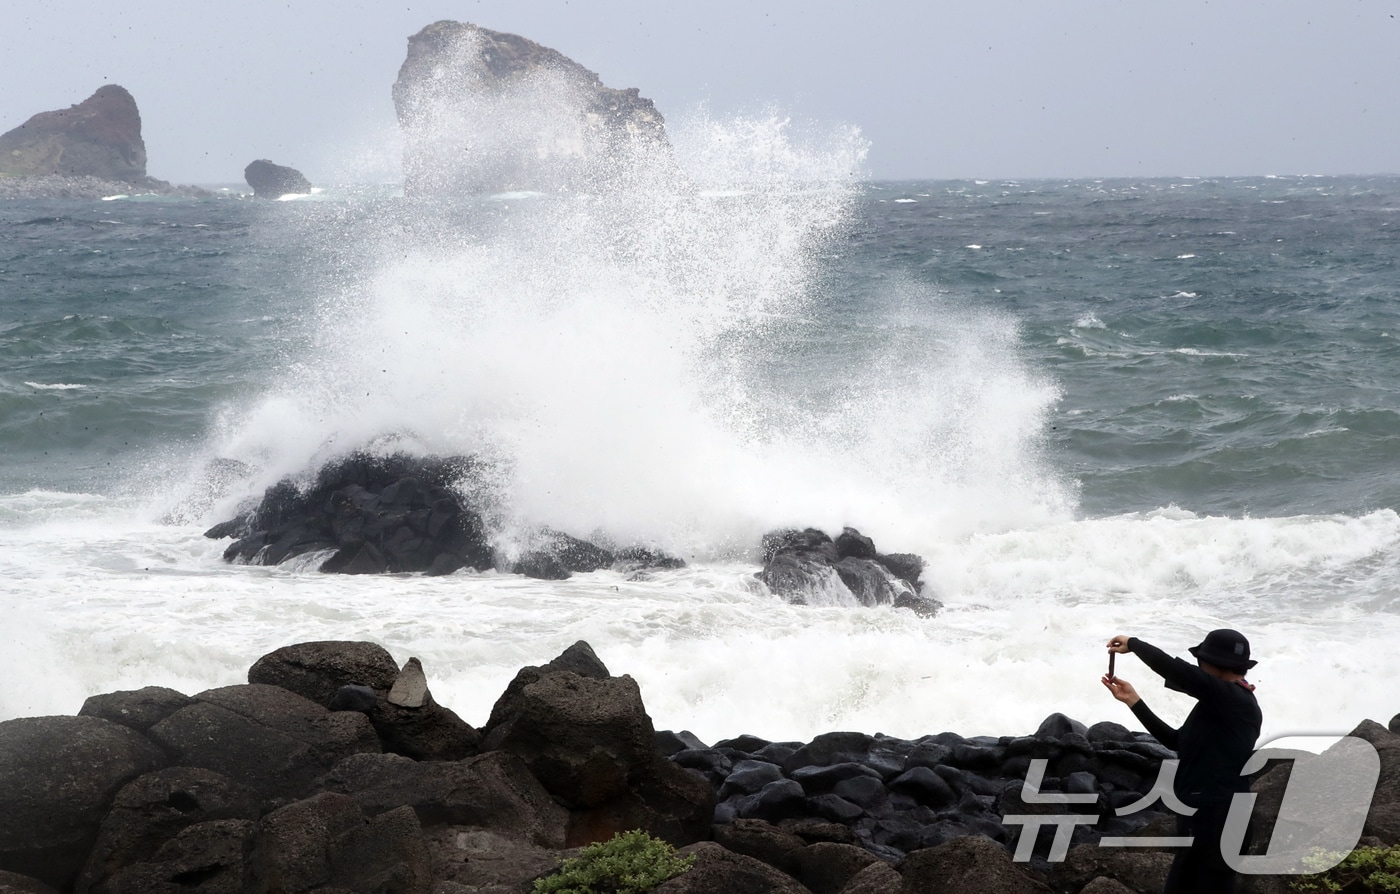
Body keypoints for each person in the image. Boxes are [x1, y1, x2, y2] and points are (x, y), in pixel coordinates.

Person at [1102, 629, 1262, 894]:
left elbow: (1177, 671)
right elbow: (1176, 741)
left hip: (1222, 823)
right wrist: (1134, 702)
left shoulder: (1236, 701)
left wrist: (1134, 644)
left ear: (1209, 664)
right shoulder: (1217, 704)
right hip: (1199, 819)